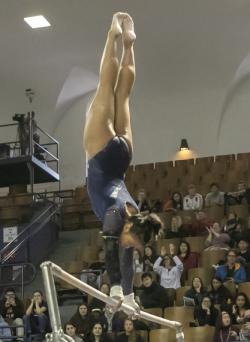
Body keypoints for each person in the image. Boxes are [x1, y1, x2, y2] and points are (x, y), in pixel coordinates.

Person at [83, 13, 162, 311]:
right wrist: (117, 291)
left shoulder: (134, 215)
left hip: (123, 155)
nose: (129, 246)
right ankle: (111, 36)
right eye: (131, 241)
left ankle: (128, 44)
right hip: (101, 154)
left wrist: (128, 296)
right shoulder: (116, 218)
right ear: (131, 229)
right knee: (106, 87)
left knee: (123, 95)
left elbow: (126, 259)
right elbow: (113, 257)